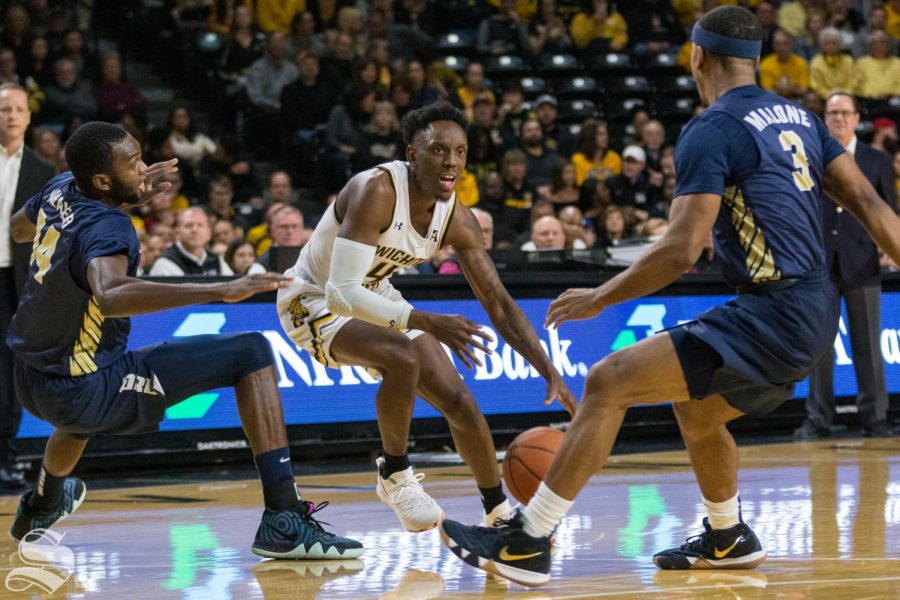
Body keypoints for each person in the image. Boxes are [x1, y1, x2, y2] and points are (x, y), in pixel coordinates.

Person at [440, 6, 900, 587]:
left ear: (696, 57)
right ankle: (728, 535)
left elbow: (682, 249)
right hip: (812, 309)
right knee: (699, 410)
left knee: (608, 380)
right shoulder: (803, 119)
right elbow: (873, 207)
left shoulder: (713, 129)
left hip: (776, 310)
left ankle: (529, 541)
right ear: (755, 62)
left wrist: (601, 297)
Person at [6, 121, 363, 560]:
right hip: (82, 389)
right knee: (250, 352)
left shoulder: (61, 186)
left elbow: (19, 229)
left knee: (82, 398)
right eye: (132, 163)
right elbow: (112, 294)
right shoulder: (110, 227)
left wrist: (127, 190)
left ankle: (42, 503)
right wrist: (221, 288)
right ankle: (284, 520)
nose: (144, 168)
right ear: (101, 180)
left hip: (29, 374)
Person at [276, 102, 575, 534]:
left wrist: (547, 369)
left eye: (460, 151)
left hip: (375, 294)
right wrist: (428, 321)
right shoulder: (376, 189)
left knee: (460, 401)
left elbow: (499, 302)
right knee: (402, 354)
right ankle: (394, 475)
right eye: (438, 150)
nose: (451, 161)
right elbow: (342, 295)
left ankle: (498, 512)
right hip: (312, 298)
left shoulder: (456, 217)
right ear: (412, 154)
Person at [796, 92, 896, 441]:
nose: (837, 119)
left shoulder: (876, 159)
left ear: (856, 118)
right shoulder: (809, 156)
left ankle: (876, 418)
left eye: (844, 113)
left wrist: (886, 247)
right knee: (819, 346)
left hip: (863, 261)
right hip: (819, 264)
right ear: (825, 118)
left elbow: (887, 209)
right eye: (832, 113)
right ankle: (817, 418)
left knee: (868, 346)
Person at [0, 83, 55, 490]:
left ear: (29, 116)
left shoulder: (41, 171)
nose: (12, 116)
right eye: (5, 109)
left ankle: (5, 457)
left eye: (19, 109)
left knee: (7, 371)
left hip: (14, 281)